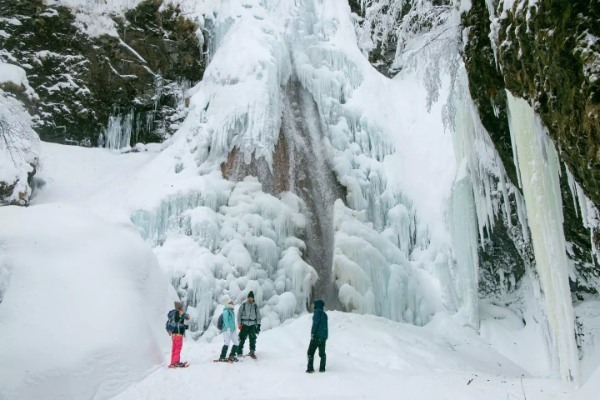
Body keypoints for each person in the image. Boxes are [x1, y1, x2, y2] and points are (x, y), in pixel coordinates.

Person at [237, 291, 261, 358]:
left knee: (252, 339)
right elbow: (239, 315)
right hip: (244, 324)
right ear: (247, 298)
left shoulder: (255, 306)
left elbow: (258, 316)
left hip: (252, 325)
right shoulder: (243, 305)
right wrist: (239, 324)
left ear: (253, 298)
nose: (249, 299)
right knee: (242, 338)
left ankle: (252, 351)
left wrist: (258, 325)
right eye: (248, 297)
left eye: (251, 298)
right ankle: (239, 351)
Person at [306, 299, 328, 373]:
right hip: (323, 337)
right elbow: (326, 327)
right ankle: (322, 368)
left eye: (315, 305)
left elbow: (315, 323)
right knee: (322, 353)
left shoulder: (317, 312)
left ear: (317, 305)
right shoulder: (325, 315)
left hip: (316, 336)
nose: (314, 306)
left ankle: (310, 369)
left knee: (310, 352)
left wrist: (312, 333)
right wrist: (325, 337)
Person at [167, 300, 190, 368]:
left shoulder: (172, 314)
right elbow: (188, 317)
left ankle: (173, 362)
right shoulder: (180, 312)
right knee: (178, 348)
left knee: (174, 348)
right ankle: (176, 362)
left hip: (173, 334)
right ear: (179, 307)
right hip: (178, 333)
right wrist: (183, 313)